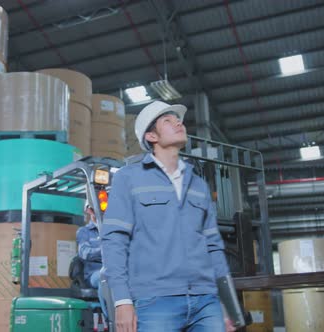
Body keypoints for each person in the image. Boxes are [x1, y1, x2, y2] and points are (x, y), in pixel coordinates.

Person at [100, 100, 236, 332]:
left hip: (206, 301)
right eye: (168, 120)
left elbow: (213, 247)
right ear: (151, 136)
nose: (178, 123)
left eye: (178, 119)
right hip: (155, 301)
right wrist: (122, 300)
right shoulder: (128, 178)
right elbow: (114, 241)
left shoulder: (199, 185)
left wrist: (227, 303)